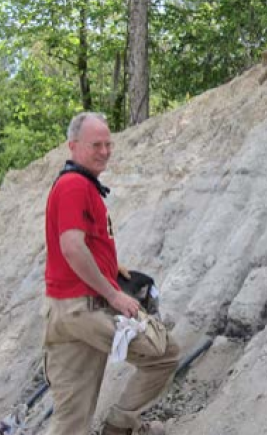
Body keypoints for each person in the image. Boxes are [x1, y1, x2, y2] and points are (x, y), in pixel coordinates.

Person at [42, 112, 180, 435]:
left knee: (70, 421)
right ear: (73, 146)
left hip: (63, 312)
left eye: (108, 144)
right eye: (96, 145)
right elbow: (72, 247)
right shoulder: (76, 186)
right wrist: (113, 293)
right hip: (87, 309)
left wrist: (110, 268)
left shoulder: (74, 184)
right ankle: (119, 426)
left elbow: (78, 245)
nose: (104, 151)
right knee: (164, 353)